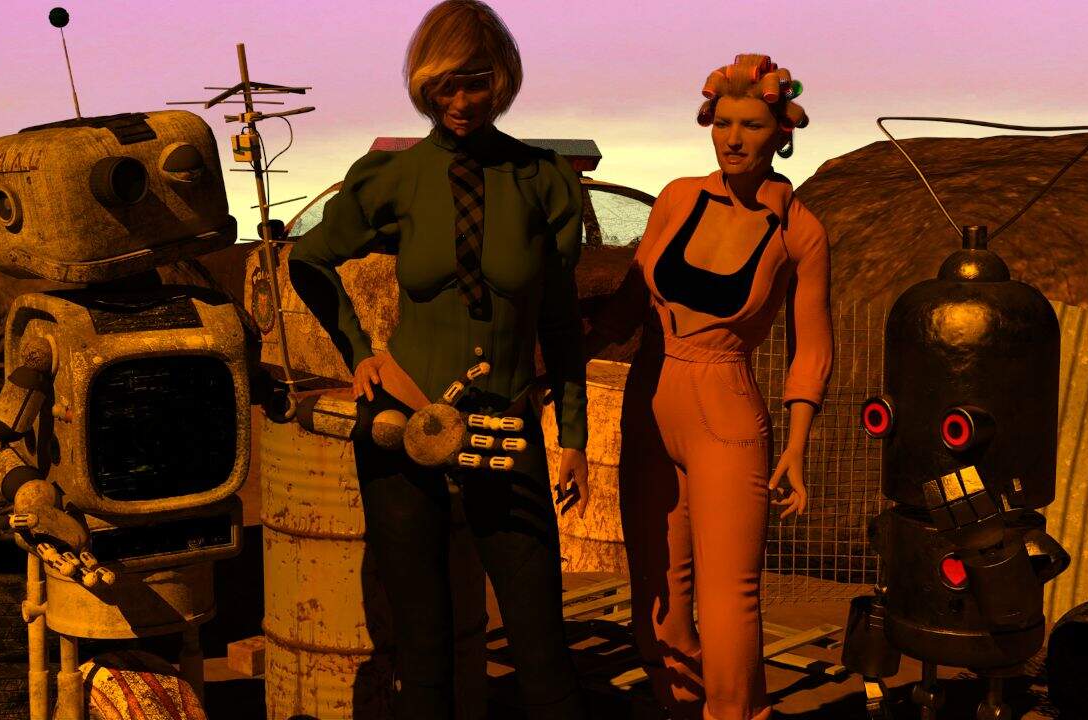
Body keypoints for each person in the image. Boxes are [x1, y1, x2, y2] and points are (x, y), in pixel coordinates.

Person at [287, 2, 590, 717]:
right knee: (422, 649)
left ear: (502, 80)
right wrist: (358, 353)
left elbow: (559, 322)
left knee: (542, 647)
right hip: (402, 422)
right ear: (424, 85)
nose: (460, 101)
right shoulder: (391, 177)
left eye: (475, 81)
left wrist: (572, 436)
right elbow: (310, 259)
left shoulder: (544, 180)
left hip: (505, 424)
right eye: (444, 84)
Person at [586, 54, 832, 720]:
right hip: (649, 401)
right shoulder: (676, 197)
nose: (733, 139)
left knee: (729, 600)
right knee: (658, 594)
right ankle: (678, 706)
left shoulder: (801, 232)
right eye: (723, 123)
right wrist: (564, 359)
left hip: (726, 411)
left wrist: (798, 445)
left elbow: (813, 345)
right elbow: (627, 304)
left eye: (751, 125)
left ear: (781, 133)